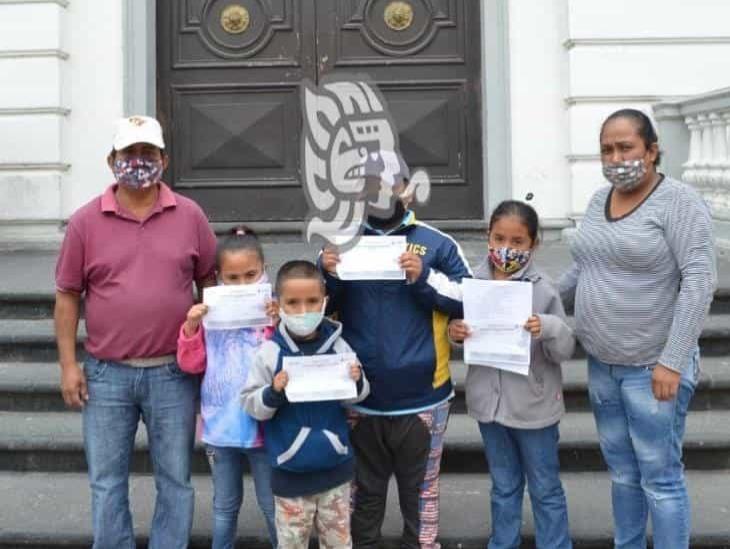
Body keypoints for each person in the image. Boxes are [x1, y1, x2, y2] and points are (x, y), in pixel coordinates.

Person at [54, 115, 218, 549]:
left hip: (174, 373)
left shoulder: (191, 216)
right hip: (106, 375)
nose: (139, 162)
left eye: (148, 153)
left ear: (163, 159)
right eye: (130, 154)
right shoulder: (85, 222)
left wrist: (213, 349)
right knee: (106, 482)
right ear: (112, 161)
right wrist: (69, 366)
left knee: (176, 480)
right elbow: (68, 296)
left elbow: (211, 283)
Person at [559, 109, 716, 549]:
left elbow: (700, 281)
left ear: (651, 150)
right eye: (607, 149)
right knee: (623, 474)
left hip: (653, 369)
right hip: (603, 366)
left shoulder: (680, 202)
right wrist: (532, 299)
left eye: (625, 147)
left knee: (659, 477)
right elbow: (582, 267)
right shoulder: (598, 200)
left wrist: (672, 360)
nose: (615, 157)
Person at [319, 151, 472, 549]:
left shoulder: (436, 244)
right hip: (360, 398)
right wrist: (325, 274)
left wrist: (423, 279)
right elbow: (312, 311)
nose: (381, 194)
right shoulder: (341, 244)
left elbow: (472, 299)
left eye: (391, 185)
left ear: (407, 189)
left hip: (423, 398)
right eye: (370, 187)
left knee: (420, 495)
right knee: (361, 495)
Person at [449, 200, 574, 549]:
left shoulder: (544, 289)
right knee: (503, 486)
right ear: (487, 236)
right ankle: (502, 543)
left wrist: (547, 327)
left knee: (545, 486)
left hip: (534, 408)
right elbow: (463, 339)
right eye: (499, 238)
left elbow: (563, 350)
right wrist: (454, 334)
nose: (507, 248)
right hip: (489, 406)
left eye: (517, 241)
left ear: (534, 244)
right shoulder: (471, 283)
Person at [241, 260, 370, 549]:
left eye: (312, 301)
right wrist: (273, 391)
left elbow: (357, 397)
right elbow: (250, 403)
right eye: (293, 302)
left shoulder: (339, 346)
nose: (303, 310)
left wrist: (357, 380)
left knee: (338, 543)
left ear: (325, 302)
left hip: (335, 470)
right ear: (279, 304)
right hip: (290, 475)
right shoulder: (270, 353)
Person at [177, 226, 277, 548]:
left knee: (272, 504)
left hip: (265, 425)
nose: (243, 284)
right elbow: (191, 365)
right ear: (218, 277)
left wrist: (281, 323)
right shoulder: (209, 314)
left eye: (251, 275)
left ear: (265, 270)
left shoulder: (276, 311)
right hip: (220, 426)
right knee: (224, 505)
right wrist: (191, 329)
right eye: (233, 278)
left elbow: (292, 356)